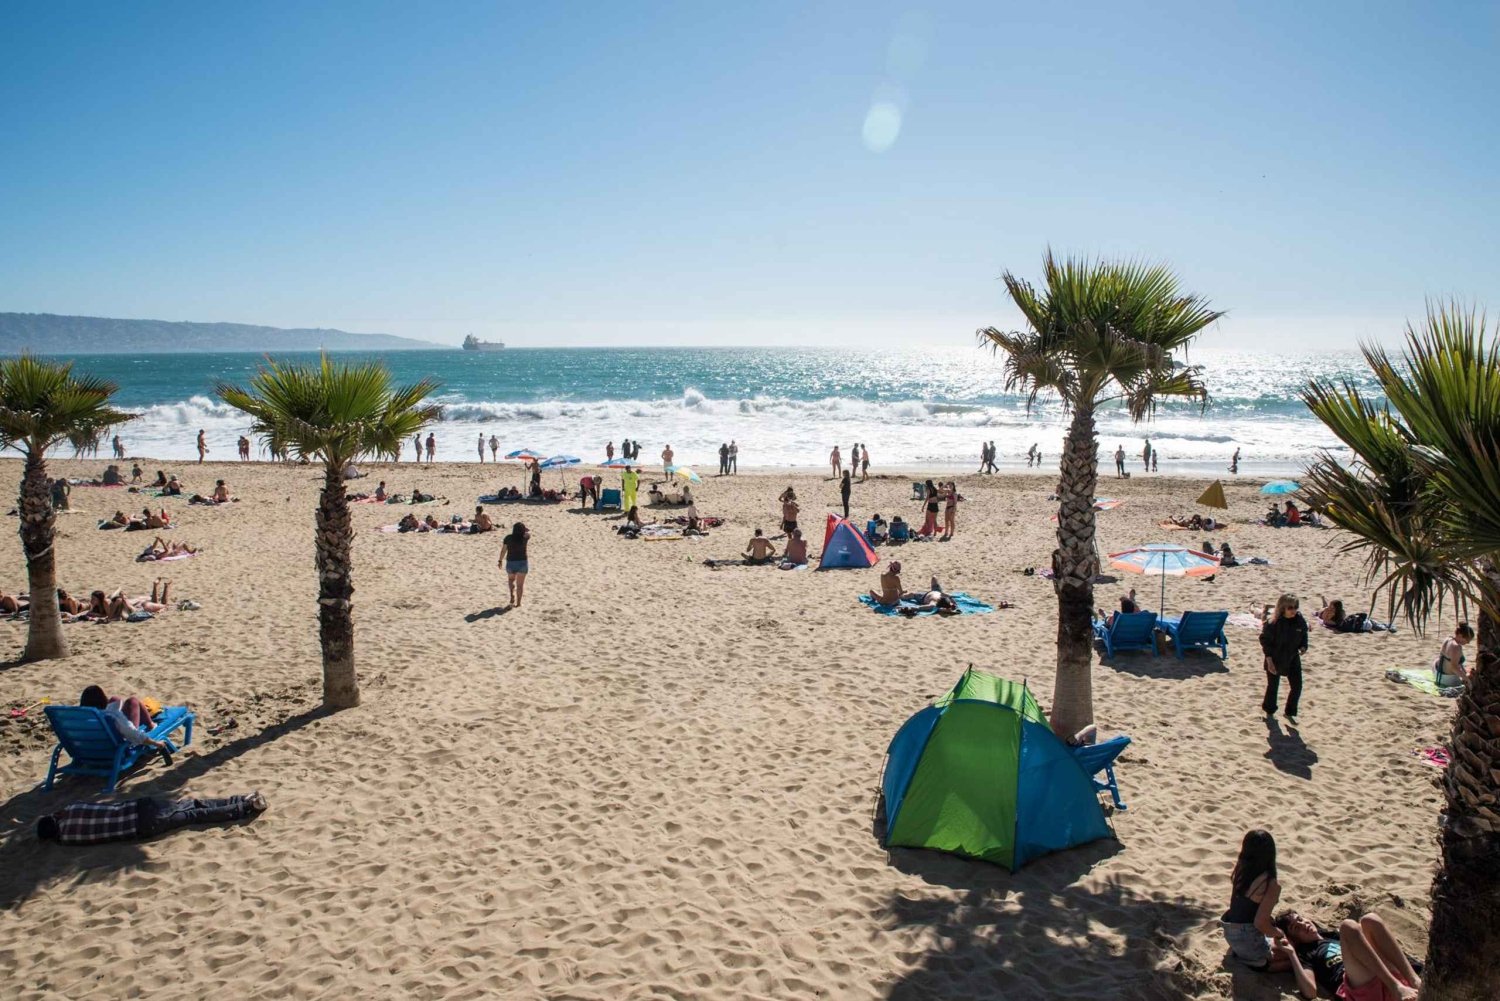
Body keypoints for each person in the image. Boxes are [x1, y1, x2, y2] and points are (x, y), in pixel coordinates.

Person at [1275, 910, 1421, 1001]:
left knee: (1370, 919)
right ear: (1294, 938)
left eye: (1300, 919)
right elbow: (1310, 992)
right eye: (1296, 928)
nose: (1303, 925)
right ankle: (1395, 986)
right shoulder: (1306, 953)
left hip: (1379, 972)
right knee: (1348, 926)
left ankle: (1414, 979)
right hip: (1358, 987)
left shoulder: (1332, 936)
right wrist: (1292, 954)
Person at [37, 792, 267, 845]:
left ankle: (242, 806)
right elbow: (89, 806)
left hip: (142, 829)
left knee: (192, 814)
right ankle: (240, 801)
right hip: (141, 810)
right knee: (190, 805)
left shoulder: (68, 839)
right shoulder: (73, 809)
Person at [1220, 829, 1289, 972]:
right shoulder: (1271, 884)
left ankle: (1241, 953)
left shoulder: (1241, 870)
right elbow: (1260, 923)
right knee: (1286, 959)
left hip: (1230, 931)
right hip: (1247, 938)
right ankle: (1252, 960)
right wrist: (1278, 933)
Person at [78, 686, 174, 759]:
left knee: (116, 700)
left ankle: (150, 723)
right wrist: (157, 743)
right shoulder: (111, 716)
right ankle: (151, 725)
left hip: (89, 751)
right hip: (116, 751)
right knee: (133, 700)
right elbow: (133, 734)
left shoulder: (79, 719)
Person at [1261, 594, 1309, 719]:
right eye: (1290, 608)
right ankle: (1269, 711)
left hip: (1292, 657)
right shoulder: (1273, 623)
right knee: (1273, 686)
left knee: (1297, 686)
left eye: (1295, 607)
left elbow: (1304, 634)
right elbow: (1265, 643)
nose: (1293, 610)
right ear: (1283, 608)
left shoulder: (1299, 620)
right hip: (1275, 657)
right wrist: (1270, 661)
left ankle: (1290, 712)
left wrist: (1304, 646)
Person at [1433, 622, 1474, 687]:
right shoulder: (1456, 647)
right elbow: (1454, 667)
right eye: (1467, 639)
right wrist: (1467, 680)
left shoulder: (1448, 639)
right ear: (1460, 635)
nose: (1468, 642)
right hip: (1448, 680)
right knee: (1471, 673)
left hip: (1436, 672)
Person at [500, 521, 530, 608]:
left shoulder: (508, 538)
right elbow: (528, 532)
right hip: (522, 563)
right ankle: (518, 603)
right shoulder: (525, 537)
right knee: (520, 585)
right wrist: (525, 530)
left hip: (511, 562)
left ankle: (512, 596)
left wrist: (500, 560)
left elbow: (503, 550)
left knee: (511, 580)